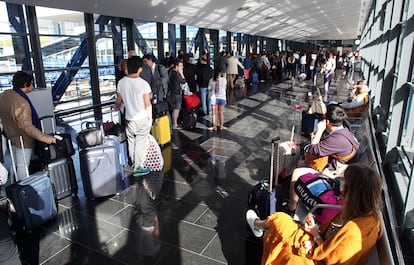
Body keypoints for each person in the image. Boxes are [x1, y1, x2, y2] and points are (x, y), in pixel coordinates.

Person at [246, 163, 382, 265]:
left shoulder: (356, 231)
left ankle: (258, 225)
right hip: (318, 248)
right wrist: (315, 232)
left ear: (352, 193)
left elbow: (330, 259)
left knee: (279, 226)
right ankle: (258, 225)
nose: (341, 190)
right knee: (280, 220)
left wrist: (316, 236)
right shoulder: (364, 216)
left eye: (345, 186)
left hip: (317, 257)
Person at [287, 104, 359, 212]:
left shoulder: (336, 139)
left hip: (335, 175)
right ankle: (296, 195)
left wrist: (319, 130)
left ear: (328, 122)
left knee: (297, 172)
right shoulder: (345, 131)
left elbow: (312, 150)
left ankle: (291, 206)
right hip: (342, 168)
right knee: (301, 163)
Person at [0, 71, 56, 181]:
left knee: (14, 164)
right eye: (31, 83)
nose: (33, 86)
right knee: (23, 166)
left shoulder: (5, 95)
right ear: (25, 84)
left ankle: (14, 187)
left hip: (10, 136)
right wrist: (47, 138)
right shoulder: (22, 104)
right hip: (23, 140)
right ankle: (24, 190)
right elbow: (28, 128)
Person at [115, 57, 152, 177]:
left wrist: (116, 107)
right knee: (140, 142)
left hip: (129, 118)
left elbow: (119, 101)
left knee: (131, 141)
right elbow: (147, 104)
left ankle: (133, 163)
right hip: (141, 118)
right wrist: (150, 118)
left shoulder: (121, 82)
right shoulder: (144, 84)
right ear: (140, 68)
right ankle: (138, 167)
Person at [168, 59, 186, 129]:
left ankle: (174, 123)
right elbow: (183, 81)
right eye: (181, 66)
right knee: (176, 109)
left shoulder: (170, 72)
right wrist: (182, 74)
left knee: (174, 109)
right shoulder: (176, 74)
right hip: (176, 93)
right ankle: (175, 124)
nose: (182, 67)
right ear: (176, 66)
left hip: (172, 93)